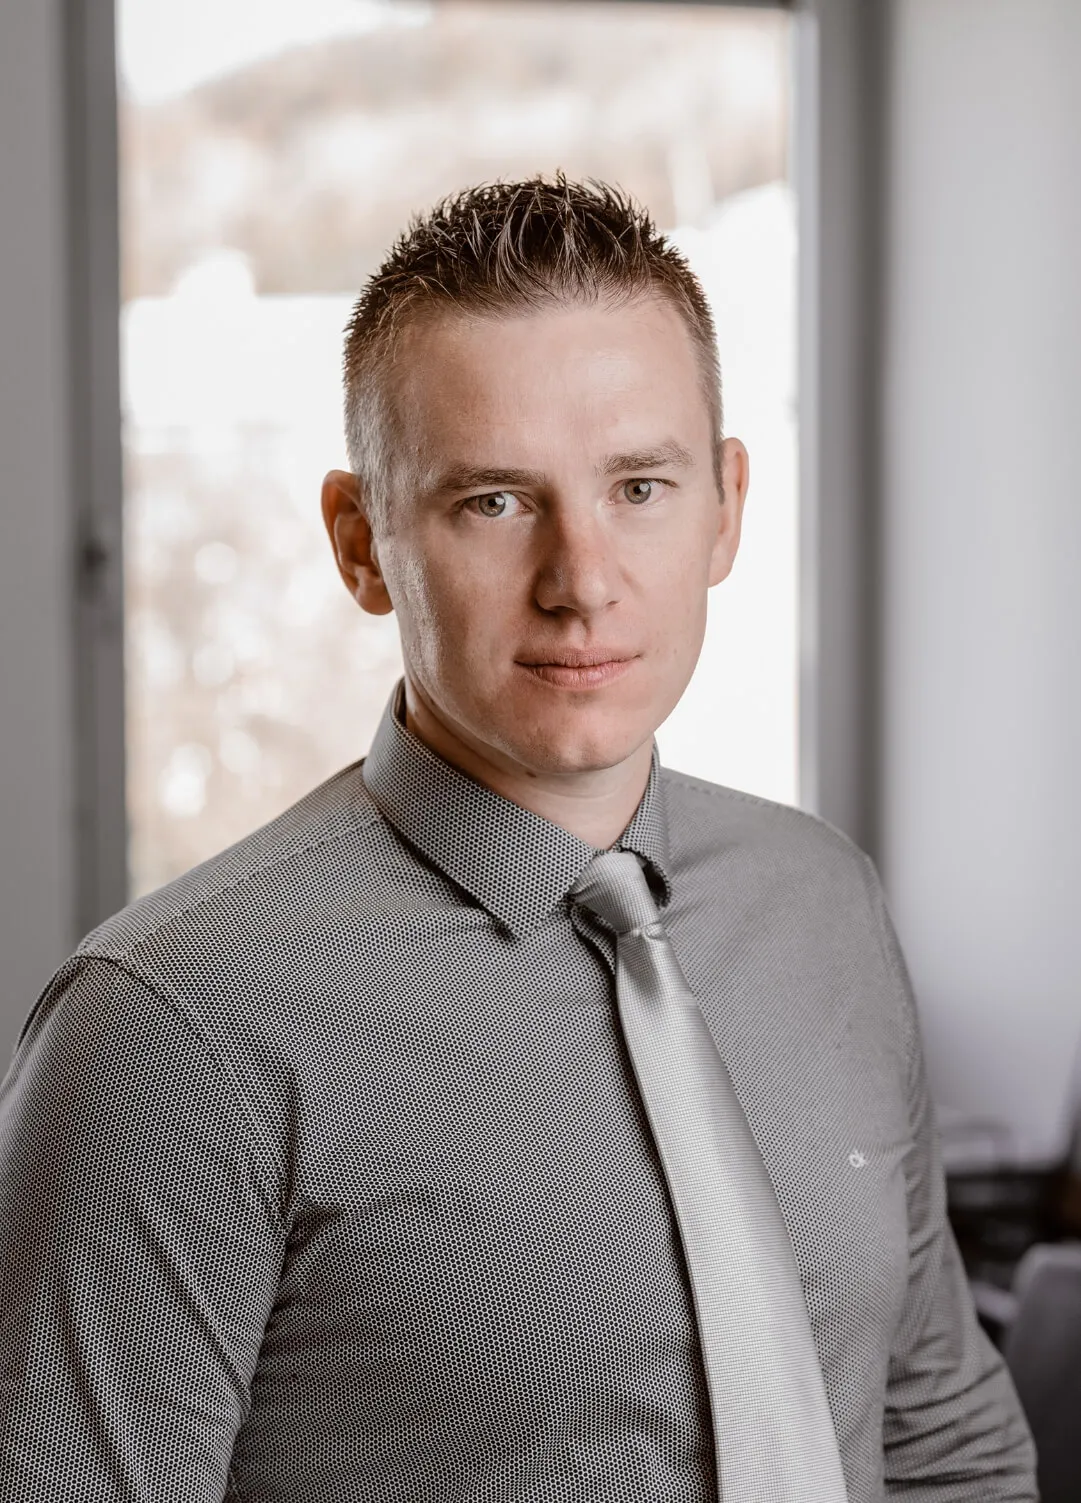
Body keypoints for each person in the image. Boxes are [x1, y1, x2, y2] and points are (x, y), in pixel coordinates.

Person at [0, 177, 1035, 1503]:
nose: (582, 577)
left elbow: (939, 1438)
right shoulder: (171, 1031)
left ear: (725, 504)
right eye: (494, 501)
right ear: (360, 539)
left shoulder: (819, 900)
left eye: (640, 486)